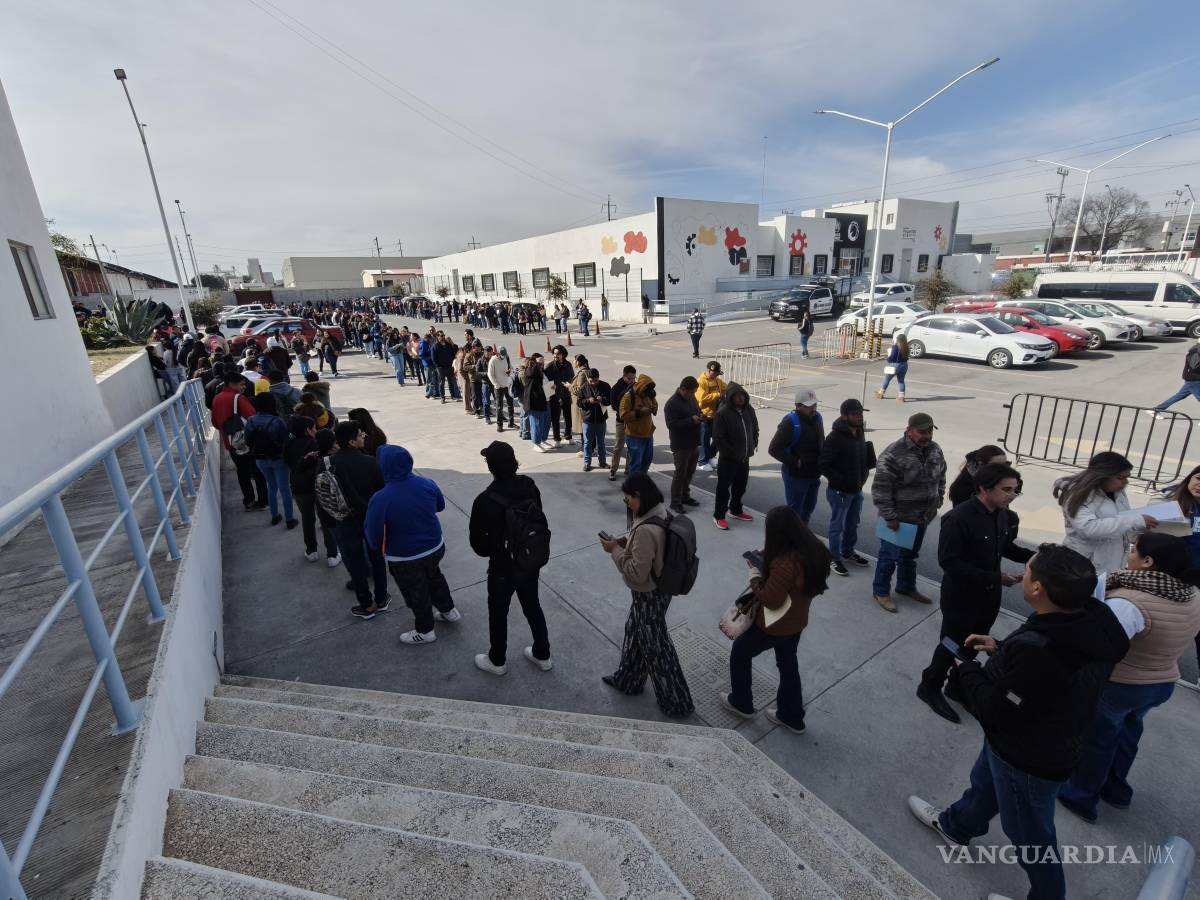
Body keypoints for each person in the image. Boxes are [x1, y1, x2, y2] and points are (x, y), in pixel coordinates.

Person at [907, 544, 1130, 900]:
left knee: (1031, 835)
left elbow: (998, 708)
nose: (1023, 577)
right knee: (986, 784)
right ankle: (956, 826)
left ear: (1038, 588)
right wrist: (1001, 649)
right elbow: (1053, 675)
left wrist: (967, 672)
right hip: (1036, 735)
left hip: (1030, 755)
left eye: (1027, 573)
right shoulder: (1091, 620)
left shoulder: (1040, 649)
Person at [1058, 533, 1200, 822]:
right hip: (1161, 683)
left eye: (1135, 551)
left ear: (1148, 562)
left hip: (1123, 684)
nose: (1129, 555)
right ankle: (1116, 788)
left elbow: (1100, 644)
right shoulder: (1191, 594)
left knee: (1098, 740)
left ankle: (1081, 796)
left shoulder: (1130, 602)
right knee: (1128, 732)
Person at [918, 463, 1034, 724]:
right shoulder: (958, 519)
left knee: (973, 644)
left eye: (1016, 491)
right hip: (961, 598)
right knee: (951, 643)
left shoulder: (1001, 513)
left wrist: (1036, 557)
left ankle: (956, 685)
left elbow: (1005, 546)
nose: (1012, 495)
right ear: (984, 488)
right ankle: (929, 685)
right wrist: (997, 577)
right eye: (1006, 490)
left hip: (989, 597)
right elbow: (949, 562)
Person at [724, 506, 831, 733]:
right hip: (797, 621)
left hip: (773, 626)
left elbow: (770, 599)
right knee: (788, 665)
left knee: (740, 653)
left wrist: (755, 575)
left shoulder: (785, 562)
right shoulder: (815, 550)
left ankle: (741, 702)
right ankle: (791, 716)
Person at [599, 473, 694, 717]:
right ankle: (628, 680)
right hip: (663, 590)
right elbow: (650, 547)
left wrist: (615, 551)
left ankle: (677, 702)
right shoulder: (660, 512)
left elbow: (636, 572)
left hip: (648, 595)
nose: (627, 503)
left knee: (658, 649)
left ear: (639, 496)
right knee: (635, 632)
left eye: (628, 499)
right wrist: (623, 542)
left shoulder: (644, 530)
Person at [469, 441, 552, 675]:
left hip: (502, 568)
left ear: (490, 467)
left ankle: (497, 660)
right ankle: (542, 654)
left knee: (498, 612)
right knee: (532, 606)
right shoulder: (529, 485)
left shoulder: (484, 500)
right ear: (514, 462)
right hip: (529, 561)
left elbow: (479, 546)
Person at [365, 445, 459, 643]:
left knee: (416, 592)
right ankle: (448, 610)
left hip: (405, 557)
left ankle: (425, 631)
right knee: (435, 578)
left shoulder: (381, 498)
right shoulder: (427, 483)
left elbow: (372, 533)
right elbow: (439, 506)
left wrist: (376, 547)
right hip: (435, 547)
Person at [870, 412, 946, 612]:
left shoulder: (935, 450)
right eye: (922, 431)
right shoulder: (893, 454)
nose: (927, 435)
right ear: (909, 430)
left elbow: (942, 475)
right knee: (888, 558)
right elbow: (880, 490)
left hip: (923, 516)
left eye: (930, 431)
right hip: (898, 519)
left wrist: (939, 498)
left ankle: (906, 587)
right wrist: (890, 516)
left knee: (910, 556)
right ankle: (881, 592)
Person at [1054, 451, 1156, 577]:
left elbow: (1120, 522)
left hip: (1112, 563)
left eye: (1127, 477)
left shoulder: (1118, 494)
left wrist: (1142, 526)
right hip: (1085, 565)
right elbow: (1089, 528)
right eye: (1120, 477)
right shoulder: (1077, 494)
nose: (1125, 482)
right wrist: (1135, 521)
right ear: (1102, 476)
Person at [329, 421, 389, 619]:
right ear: (352, 442)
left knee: (355, 563)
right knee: (377, 558)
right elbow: (382, 493)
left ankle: (366, 604)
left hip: (345, 521)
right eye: (360, 434)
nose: (364, 436)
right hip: (370, 519)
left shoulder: (329, 464)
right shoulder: (370, 462)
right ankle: (381, 599)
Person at [819, 399, 875, 577]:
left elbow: (861, 457)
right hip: (840, 491)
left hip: (856, 489)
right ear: (844, 416)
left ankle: (848, 552)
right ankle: (834, 558)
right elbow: (823, 464)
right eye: (855, 414)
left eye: (861, 414)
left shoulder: (859, 432)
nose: (859, 417)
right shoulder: (834, 437)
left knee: (853, 523)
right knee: (837, 526)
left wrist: (864, 474)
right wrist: (840, 481)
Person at [285, 417, 341, 566]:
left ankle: (311, 551)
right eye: (314, 428)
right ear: (307, 430)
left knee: (307, 519)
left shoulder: (289, 443)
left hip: (299, 488)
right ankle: (332, 554)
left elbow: (289, 464)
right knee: (326, 520)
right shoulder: (315, 443)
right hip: (318, 488)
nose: (316, 431)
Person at [211, 373, 267, 511]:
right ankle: (263, 501)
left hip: (230, 443)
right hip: (247, 442)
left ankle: (248, 501)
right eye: (241, 384)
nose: (243, 387)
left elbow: (215, 422)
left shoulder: (217, 398)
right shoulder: (238, 398)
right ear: (231, 384)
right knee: (258, 472)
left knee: (242, 473)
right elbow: (252, 417)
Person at [768, 389, 824, 524]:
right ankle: (792, 540)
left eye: (815, 405)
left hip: (814, 474)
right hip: (796, 477)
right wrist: (795, 462)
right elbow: (774, 449)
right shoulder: (790, 422)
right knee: (794, 513)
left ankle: (802, 536)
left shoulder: (817, 418)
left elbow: (821, 440)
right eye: (809, 406)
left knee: (808, 509)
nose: (813, 409)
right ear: (798, 406)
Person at [242, 394, 297, 528]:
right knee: (285, 489)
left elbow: (247, 440)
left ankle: (274, 516)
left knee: (271, 487)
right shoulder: (277, 421)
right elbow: (286, 440)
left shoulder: (251, 420)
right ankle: (289, 519)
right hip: (278, 458)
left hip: (260, 459)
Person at [712, 383, 758, 531]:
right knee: (724, 488)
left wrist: (753, 443)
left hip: (744, 458)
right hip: (729, 459)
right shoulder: (723, 413)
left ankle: (736, 510)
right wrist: (732, 453)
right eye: (737, 396)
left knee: (740, 486)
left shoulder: (749, 410)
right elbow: (718, 438)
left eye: (743, 396)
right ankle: (719, 516)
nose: (741, 398)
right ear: (731, 398)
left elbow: (754, 428)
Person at [664, 376, 702, 513]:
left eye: (694, 392)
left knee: (690, 472)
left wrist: (700, 415)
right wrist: (691, 420)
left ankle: (685, 496)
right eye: (691, 392)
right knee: (680, 474)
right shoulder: (672, 404)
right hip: (681, 445)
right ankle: (675, 502)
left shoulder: (691, 398)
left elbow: (697, 410)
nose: (693, 395)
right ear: (683, 389)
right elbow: (671, 424)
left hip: (693, 442)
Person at [1147, 335, 1200, 414]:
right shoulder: (1195, 352)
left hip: (1193, 379)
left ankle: (1155, 410)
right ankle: (1155, 410)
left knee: (1179, 396)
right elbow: (1194, 367)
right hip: (1193, 380)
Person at [619, 373, 658, 476]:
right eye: (645, 390)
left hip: (648, 434)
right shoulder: (628, 397)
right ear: (641, 387)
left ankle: (641, 482)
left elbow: (654, 403)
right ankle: (633, 488)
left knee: (647, 461)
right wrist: (639, 412)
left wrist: (654, 408)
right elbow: (623, 415)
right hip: (634, 436)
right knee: (636, 465)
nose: (647, 393)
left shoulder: (649, 394)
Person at [695, 360, 726, 472]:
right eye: (715, 373)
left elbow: (726, 389)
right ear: (709, 370)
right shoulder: (701, 382)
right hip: (705, 416)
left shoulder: (717, 381)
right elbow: (702, 400)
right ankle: (702, 461)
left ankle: (711, 456)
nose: (717, 375)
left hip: (716, 415)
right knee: (705, 440)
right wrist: (718, 395)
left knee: (718, 438)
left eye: (718, 373)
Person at [577, 368, 611, 472]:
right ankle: (587, 462)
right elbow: (579, 403)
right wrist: (588, 401)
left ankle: (602, 461)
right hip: (588, 419)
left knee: (601, 441)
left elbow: (610, 400)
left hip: (601, 419)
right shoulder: (583, 388)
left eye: (595, 380)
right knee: (587, 442)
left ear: (598, 378)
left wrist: (602, 399)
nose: (593, 383)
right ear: (587, 378)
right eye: (591, 381)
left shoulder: (605, 386)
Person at [608, 365, 637, 482]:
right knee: (618, 446)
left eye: (634, 378)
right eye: (630, 378)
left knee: (632, 446)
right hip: (621, 421)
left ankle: (628, 468)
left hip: (632, 421)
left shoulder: (635, 386)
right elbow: (614, 406)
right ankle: (613, 470)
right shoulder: (616, 388)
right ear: (624, 376)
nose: (632, 381)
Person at [544, 345, 575, 446]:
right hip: (555, 397)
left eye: (557, 354)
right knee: (555, 419)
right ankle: (557, 439)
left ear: (563, 354)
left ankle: (568, 436)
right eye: (554, 353)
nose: (555, 356)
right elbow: (545, 382)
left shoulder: (568, 365)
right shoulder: (550, 366)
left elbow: (572, 377)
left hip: (566, 395)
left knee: (568, 418)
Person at [521, 354, 551, 450]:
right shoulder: (529, 372)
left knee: (544, 423)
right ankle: (536, 444)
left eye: (542, 362)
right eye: (539, 362)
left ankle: (542, 440)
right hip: (534, 402)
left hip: (544, 400)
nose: (542, 363)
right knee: (536, 423)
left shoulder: (540, 371)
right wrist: (537, 364)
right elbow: (532, 373)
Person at [488, 344, 515, 433]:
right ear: (497, 353)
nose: (503, 357)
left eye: (504, 355)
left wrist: (510, 371)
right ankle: (499, 425)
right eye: (501, 355)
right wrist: (496, 385)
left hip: (507, 385)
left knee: (510, 404)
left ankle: (511, 422)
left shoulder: (506, 357)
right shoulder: (493, 360)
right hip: (498, 387)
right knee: (499, 407)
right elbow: (490, 374)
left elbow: (511, 367)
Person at [876, 334, 909, 402]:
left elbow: (892, 356)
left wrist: (888, 359)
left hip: (895, 365)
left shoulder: (895, 347)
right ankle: (901, 397)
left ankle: (880, 393)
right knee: (901, 381)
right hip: (904, 365)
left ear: (897, 340)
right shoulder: (906, 347)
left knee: (887, 379)